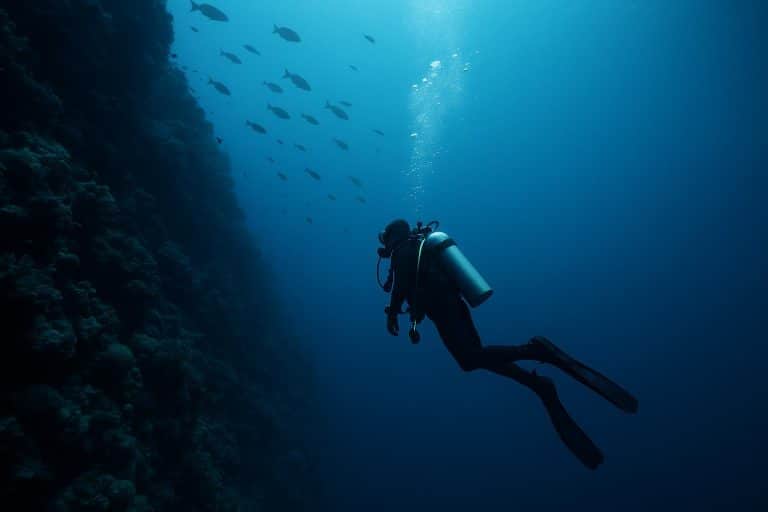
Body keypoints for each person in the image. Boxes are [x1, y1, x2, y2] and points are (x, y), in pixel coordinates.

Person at [376, 219, 638, 469]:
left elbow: (401, 285)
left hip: (446, 311)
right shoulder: (417, 249)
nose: (385, 247)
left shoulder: (403, 250)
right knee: (477, 356)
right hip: (453, 307)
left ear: (394, 236)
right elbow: (416, 286)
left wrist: (392, 314)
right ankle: (536, 383)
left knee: (470, 359)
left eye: (386, 240)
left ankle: (536, 351)